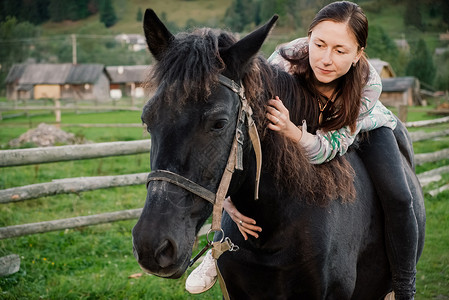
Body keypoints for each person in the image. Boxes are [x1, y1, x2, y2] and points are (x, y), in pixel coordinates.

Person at [185, 1, 418, 299]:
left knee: (398, 195)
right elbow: (248, 133)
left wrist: (293, 132)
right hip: (300, 117)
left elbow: (328, 149)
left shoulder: (368, 83)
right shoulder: (285, 59)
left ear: (358, 53)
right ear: (308, 37)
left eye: (340, 50)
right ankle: (217, 251)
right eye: (319, 44)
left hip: (355, 126)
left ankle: (404, 285)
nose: (325, 59)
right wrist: (228, 199)